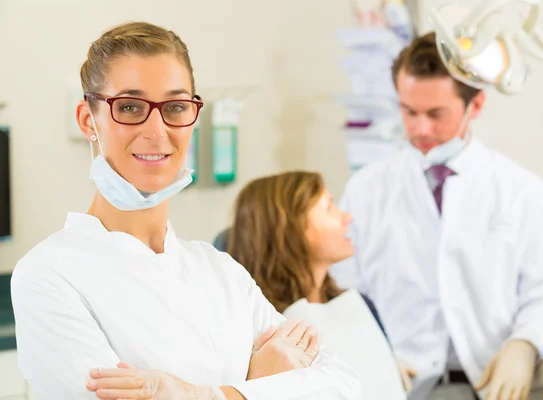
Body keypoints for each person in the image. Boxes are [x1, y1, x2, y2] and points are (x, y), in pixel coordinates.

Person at [10, 22, 360, 400]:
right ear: (87, 120)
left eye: (175, 107)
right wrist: (260, 384)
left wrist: (207, 395)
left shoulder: (221, 272)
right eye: (130, 107)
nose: (157, 130)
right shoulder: (49, 276)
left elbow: (345, 387)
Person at [329, 32, 543, 400]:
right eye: (409, 111)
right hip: (399, 387)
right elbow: (340, 290)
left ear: (475, 105)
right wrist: (367, 347)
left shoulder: (523, 191)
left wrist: (524, 344)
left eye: (435, 114)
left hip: (496, 385)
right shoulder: (366, 190)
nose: (420, 129)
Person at [226, 171, 412, 399]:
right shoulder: (260, 324)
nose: (347, 217)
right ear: (290, 226)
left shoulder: (362, 305)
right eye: (330, 207)